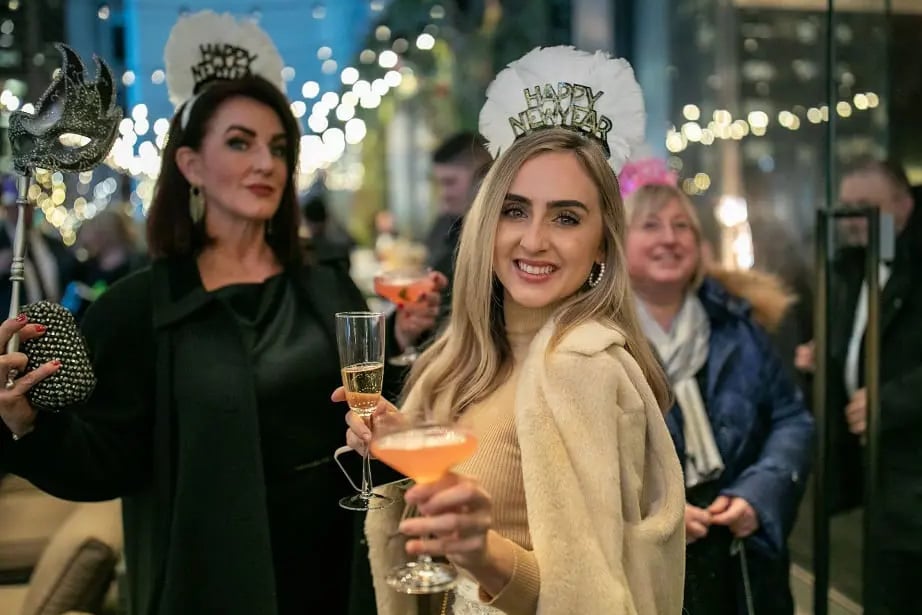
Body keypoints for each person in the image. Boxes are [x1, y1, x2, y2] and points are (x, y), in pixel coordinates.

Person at [0, 14, 442, 615]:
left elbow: (371, 412)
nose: (266, 162)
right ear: (189, 164)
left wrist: (399, 341)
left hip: (336, 571)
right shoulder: (141, 305)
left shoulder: (325, 285)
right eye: (240, 142)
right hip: (210, 582)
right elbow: (105, 462)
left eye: (278, 148)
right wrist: (27, 424)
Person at [342, 45, 687, 615]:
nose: (533, 241)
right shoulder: (460, 358)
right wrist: (404, 447)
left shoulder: (581, 368)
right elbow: (484, 496)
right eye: (515, 210)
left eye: (567, 217)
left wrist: (480, 552)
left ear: (603, 240)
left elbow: (595, 596)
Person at [624, 182, 814, 614]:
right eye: (650, 225)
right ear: (617, 242)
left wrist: (759, 495)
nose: (670, 239)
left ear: (699, 243)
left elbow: (792, 419)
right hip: (645, 570)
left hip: (740, 556)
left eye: (681, 226)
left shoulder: (739, 325)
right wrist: (661, 511)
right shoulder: (599, 338)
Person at [795, 158, 922, 615]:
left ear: (903, 206)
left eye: (866, 208)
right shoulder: (850, 269)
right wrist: (821, 357)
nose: (853, 222)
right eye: (847, 209)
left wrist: (887, 401)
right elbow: (855, 342)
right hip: (878, 474)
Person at [425, 132, 491, 278]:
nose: (443, 194)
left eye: (450, 182)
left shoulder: (496, 238)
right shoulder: (450, 223)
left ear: (483, 177)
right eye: (439, 184)